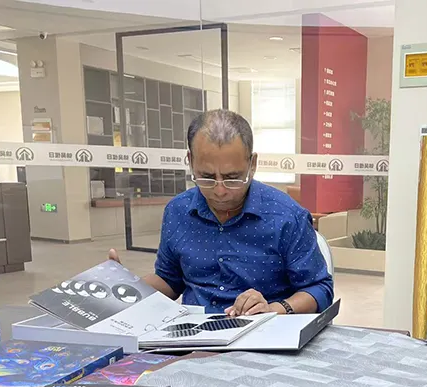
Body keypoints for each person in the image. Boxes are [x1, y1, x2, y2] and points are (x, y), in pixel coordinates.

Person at [109, 109, 333, 316]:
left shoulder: (287, 217)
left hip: (264, 334)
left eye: (232, 178)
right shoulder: (178, 211)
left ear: (252, 164)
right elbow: (169, 280)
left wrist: (275, 309)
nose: (220, 191)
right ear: (190, 161)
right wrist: (127, 287)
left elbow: (320, 288)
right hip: (193, 334)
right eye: (206, 177)